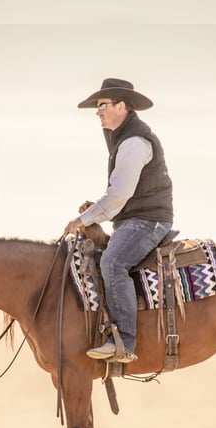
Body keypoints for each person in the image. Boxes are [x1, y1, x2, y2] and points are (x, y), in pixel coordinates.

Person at [64, 78, 174, 363]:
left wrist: (84, 218)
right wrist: (97, 209)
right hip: (135, 219)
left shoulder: (134, 142)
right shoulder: (124, 140)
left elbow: (120, 194)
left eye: (102, 105)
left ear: (121, 105)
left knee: (113, 262)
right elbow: (122, 195)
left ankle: (123, 341)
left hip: (148, 221)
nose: (98, 112)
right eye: (97, 107)